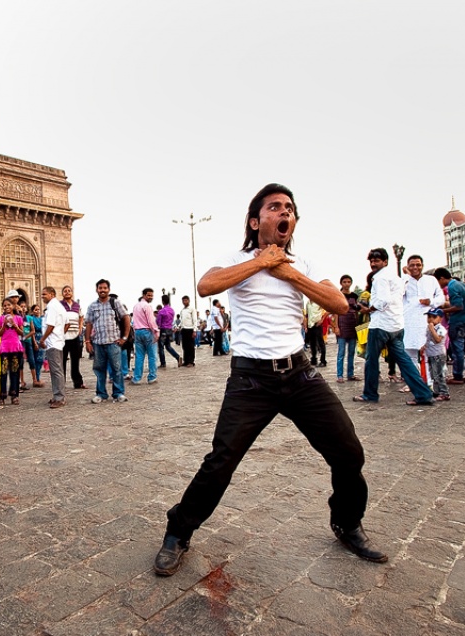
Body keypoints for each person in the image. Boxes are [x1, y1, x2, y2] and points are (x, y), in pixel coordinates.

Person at [154, 184, 387, 577]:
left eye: (290, 209)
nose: (285, 213)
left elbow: (338, 304)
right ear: (255, 219)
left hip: (299, 374)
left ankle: (347, 523)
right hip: (251, 380)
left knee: (348, 452)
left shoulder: (304, 264)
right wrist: (261, 263)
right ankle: (178, 531)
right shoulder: (235, 258)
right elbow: (207, 286)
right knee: (221, 462)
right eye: (275, 207)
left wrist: (284, 268)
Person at [354, 248, 434, 406]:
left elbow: (382, 301)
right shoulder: (396, 278)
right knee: (404, 361)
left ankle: (370, 394)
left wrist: (368, 309)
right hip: (396, 325)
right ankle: (423, 394)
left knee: (371, 360)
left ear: (385, 262)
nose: (373, 264)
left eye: (377, 261)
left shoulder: (380, 278)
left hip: (380, 325)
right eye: (371, 261)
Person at [84, 279, 131, 403]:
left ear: (108, 289)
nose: (102, 290)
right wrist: (87, 341)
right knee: (99, 369)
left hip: (113, 342)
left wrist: (124, 337)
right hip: (98, 343)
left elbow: (126, 318)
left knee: (117, 369)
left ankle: (118, 393)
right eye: (100, 288)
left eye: (105, 288)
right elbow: (88, 323)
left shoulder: (115, 303)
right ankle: (101, 394)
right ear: (96, 290)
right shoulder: (92, 306)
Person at [400, 255, 444, 387]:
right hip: (409, 321)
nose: (415, 267)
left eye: (418, 265)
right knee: (410, 353)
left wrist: (430, 301)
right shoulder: (403, 281)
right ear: (408, 267)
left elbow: (441, 298)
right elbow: (397, 300)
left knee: (429, 353)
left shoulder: (431, 280)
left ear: (422, 266)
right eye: (412, 265)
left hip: (427, 321)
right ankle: (414, 383)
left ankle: (430, 382)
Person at [38, 287, 67, 408]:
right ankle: (57, 396)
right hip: (57, 342)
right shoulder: (59, 306)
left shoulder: (52, 306)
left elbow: (50, 325)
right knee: (57, 370)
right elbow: (67, 323)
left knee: (56, 371)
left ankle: (60, 398)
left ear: (52, 294)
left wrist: (43, 339)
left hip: (53, 343)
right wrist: (61, 334)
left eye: (44, 294)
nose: (42, 296)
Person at [331, 275, 360, 383]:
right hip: (342, 325)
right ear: (341, 283)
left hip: (353, 326)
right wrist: (336, 327)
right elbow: (336, 312)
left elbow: (356, 311)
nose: (347, 284)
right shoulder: (338, 295)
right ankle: (339, 375)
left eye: (348, 282)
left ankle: (350, 374)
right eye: (344, 282)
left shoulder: (354, 296)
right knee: (341, 352)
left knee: (351, 352)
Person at [0, 297, 25, 405]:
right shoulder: (0, 319)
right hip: (4, 346)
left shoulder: (18, 318)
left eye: (8, 305)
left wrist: (15, 325)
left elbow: (21, 333)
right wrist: (4, 325)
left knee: (15, 371)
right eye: (4, 305)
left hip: (15, 347)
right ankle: (2, 395)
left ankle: (14, 395)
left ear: (12, 306)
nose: (7, 307)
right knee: (3, 372)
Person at [60, 285, 87, 389]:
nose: (67, 292)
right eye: (65, 291)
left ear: (72, 293)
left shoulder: (76, 305)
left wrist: (80, 327)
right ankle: (61, 383)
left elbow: (81, 316)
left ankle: (78, 382)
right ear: (62, 293)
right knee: (62, 362)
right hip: (63, 337)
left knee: (75, 361)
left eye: (69, 291)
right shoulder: (60, 305)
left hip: (75, 336)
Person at [131, 288, 160, 384]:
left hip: (138, 332)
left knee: (139, 356)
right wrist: (156, 332)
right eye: (149, 295)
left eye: (152, 295)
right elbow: (151, 321)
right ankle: (152, 377)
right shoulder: (147, 306)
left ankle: (137, 378)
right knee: (152, 356)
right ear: (144, 295)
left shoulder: (135, 306)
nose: (151, 297)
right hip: (147, 332)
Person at [425, 309, 450, 401]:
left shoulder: (441, 329)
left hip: (438, 354)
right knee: (433, 374)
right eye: (429, 317)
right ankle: (437, 391)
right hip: (431, 354)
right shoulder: (429, 328)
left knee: (439, 374)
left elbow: (438, 340)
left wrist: (432, 330)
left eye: (434, 317)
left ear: (440, 319)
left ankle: (444, 392)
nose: (431, 319)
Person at [156, 294, 182, 368]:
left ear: (163, 301)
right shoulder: (172, 310)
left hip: (163, 330)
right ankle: (177, 357)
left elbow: (158, 322)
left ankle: (163, 363)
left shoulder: (161, 311)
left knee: (161, 347)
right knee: (168, 346)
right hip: (169, 330)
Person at [305, 299, 327, 367]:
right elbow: (307, 315)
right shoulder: (308, 303)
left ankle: (323, 360)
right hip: (310, 325)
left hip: (317, 324)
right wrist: (305, 326)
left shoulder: (319, 302)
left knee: (321, 343)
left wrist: (322, 320)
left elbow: (327, 311)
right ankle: (313, 359)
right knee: (312, 344)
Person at [179, 295, 199, 367]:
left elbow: (195, 320)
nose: (185, 302)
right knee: (185, 346)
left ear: (189, 301)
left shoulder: (192, 309)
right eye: (183, 300)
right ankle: (186, 361)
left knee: (190, 346)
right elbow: (182, 321)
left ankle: (191, 361)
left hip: (190, 329)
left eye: (186, 300)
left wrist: (194, 330)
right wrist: (178, 327)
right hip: (184, 329)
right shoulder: (182, 310)